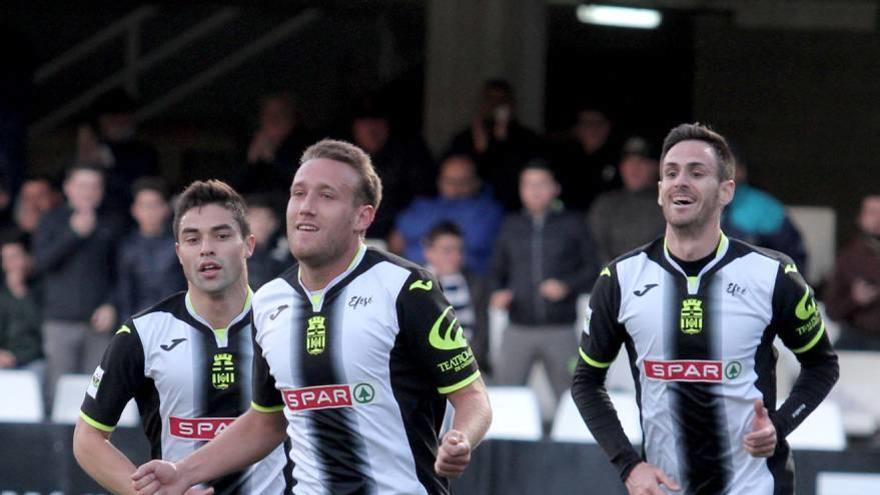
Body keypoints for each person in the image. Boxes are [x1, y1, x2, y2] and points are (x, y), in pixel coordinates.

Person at [131, 139, 492, 495]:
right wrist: (182, 473)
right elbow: (266, 421)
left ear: (362, 217)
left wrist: (460, 438)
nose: (306, 207)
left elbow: (473, 397)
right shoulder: (269, 300)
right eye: (298, 193)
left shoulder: (406, 288)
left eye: (326, 196)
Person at [572, 123, 839, 494]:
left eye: (697, 173)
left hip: (755, 486)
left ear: (726, 190)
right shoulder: (620, 278)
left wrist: (779, 426)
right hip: (666, 488)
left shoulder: (773, 274)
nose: (681, 181)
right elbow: (586, 381)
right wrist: (629, 465)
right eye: (671, 173)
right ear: (661, 191)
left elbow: (822, 365)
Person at [74, 180, 290, 494]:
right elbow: (87, 439)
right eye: (192, 238)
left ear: (249, 244)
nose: (206, 248)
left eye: (221, 235)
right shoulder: (142, 333)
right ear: (178, 252)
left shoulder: (285, 324)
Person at [489, 162, 599, 402]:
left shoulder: (573, 223)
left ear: (555, 188)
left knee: (573, 399)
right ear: (521, 190)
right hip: (518, 326)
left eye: (541, 184)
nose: (535, 190)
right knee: (504, 398)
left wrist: (566, 286)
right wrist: (498, 292)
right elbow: (496, 270)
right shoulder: (510, 225)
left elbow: (593, 269)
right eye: (528, 184)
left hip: (560, 328)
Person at [33, 163, 122, 405]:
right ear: (68, 187)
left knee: (98, 394)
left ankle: (92, 443)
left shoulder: (111, 223)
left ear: (101, 191)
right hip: (59, 322)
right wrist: (73, 234)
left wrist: (111, 305)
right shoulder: (51, 220)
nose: (88, 191)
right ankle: (56, 444)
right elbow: (40, 264)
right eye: (82, 185)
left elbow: (120, 273)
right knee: (58, 392)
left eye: (94, 186)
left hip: (98, 324)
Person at [390, 154, 504, 275]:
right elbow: (396, 241)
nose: (455, 187)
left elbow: (473, 241)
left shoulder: (488, 210)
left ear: (476, 182)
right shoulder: (423, 206)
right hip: (416, 276)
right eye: (450, 181)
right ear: (439, 181)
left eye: (462, 181)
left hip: (468, 281)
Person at [446, 79, 543, 211]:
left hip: (516, 210)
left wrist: (502, 143)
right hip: (472, 210)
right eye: (490, 99)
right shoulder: (465, 138)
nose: (495, 105)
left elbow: (526, 173)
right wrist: (480, 151)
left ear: (511, 104)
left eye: (501, 100)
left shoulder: (527, 138)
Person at [422, 221, 490, 372]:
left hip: (469, 366)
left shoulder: (475, 283)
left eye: (459, 250)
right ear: (428, 252)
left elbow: (481, 330)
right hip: (428, 370)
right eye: (447, 250)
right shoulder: (415, 284)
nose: (455, 256)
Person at [115, 177, 185, 320]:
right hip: (139, 319)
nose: (150, 211)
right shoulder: (127, 246)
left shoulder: (180, 244)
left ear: (166, 209)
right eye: (144, 206)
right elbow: (124, 292)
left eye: (155, 205)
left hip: (176, 318)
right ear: (134, 210)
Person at [588, 136, 666, 264]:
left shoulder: (668, 204)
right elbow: (595, 251)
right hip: (614, 278)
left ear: (655, 167)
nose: (634, 168)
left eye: (642, 162)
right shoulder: (605, 205)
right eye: (628, 162)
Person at [824, 194, 880, 350]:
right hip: (858, 337)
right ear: (860, 218)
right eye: (872, 212)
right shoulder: (848, 258)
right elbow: (832, 311)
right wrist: (854, 299)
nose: (878, 218)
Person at [0, 232, 43, 374]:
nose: (11, 264)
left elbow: (40, 330)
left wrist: (20, 292)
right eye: (6, 259)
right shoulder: (2, 295)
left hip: (32, 361)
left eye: (15, 257)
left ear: (26, 259)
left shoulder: (39, 290)